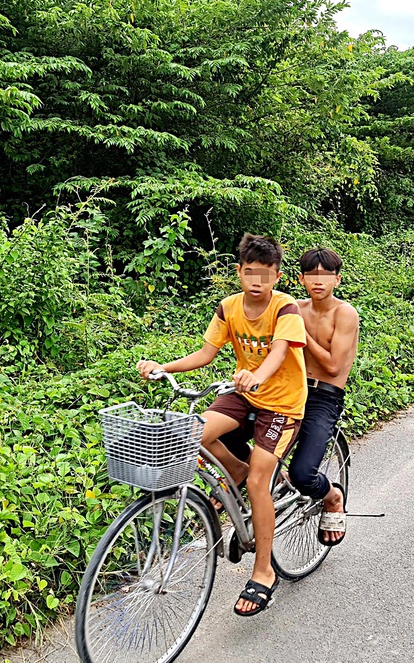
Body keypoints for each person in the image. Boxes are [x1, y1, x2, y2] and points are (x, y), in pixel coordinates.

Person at [136, 233, 307, 617]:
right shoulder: (228, 307)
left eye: (265, 275)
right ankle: (237, 470)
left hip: (281, 403)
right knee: (190, 433)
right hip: (243, 394)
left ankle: (263, 571)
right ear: (239, 272)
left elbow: (280, 351)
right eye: (250, 273)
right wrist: (163, 367)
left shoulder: (286, 308)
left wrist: (258, 375)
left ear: (277, 276)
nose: (257, 282)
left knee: (259, 482)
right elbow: (205, 353)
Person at [293, 247, 359, 547]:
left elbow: (333, 365)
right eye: (311, 275)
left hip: (324, 396)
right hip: (290, 389)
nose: (318, 281)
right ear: (301, 278)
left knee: (303, 474)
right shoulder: (295, 307)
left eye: (325, 275)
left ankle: (332, 496)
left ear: (337, 280)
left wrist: (301, 335)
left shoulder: (344, 314)